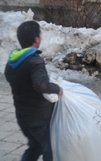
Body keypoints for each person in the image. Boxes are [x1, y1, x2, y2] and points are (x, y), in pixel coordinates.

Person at [5, 21, 63, 161]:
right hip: (39, 119)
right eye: (40, 34)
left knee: (35, 147)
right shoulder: (34, 61)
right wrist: (57, 89)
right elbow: (41, 85)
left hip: (23, 117)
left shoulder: (13, 60)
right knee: (51, 151)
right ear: (36, 39)